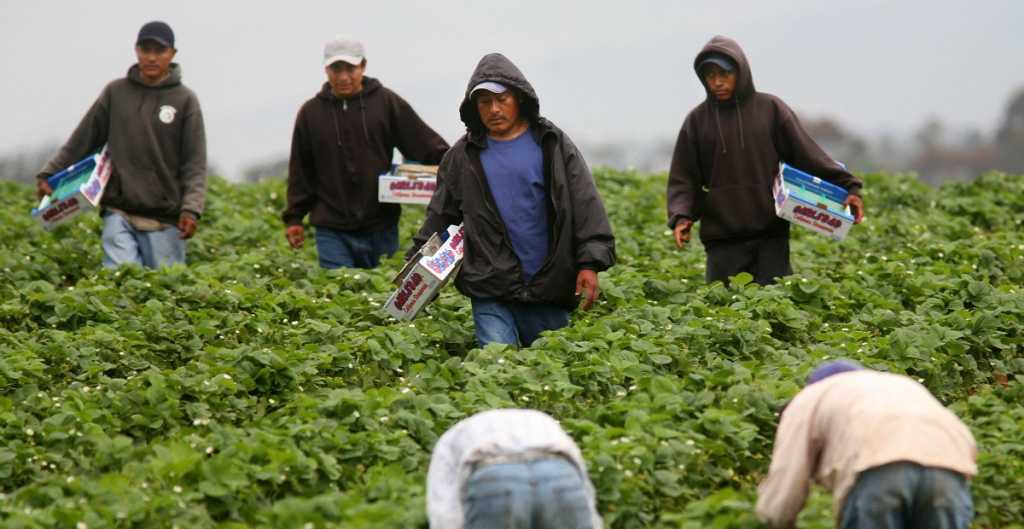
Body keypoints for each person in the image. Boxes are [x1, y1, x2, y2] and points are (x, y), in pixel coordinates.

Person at [408, 53, 615, 347]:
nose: (493, 109)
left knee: (550, 367)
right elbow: (440, 217)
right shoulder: (461, 156)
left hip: (547, 283)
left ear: (519, 99)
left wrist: (589, 263)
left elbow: (585, 205)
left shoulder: (551, 145)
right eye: (484, 102)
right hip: (489, 286)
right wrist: (413, 272)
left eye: (501, 99)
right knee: (495, 368)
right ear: (473, 108)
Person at [666, 36, 865, 285]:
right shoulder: (697, 121)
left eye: (724, 74)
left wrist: (850, 187)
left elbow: (808, 155)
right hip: (722, 243)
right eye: (710, 75)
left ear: (740, 71)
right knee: (725, 314)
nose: (717, 82)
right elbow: (683, 178)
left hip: (771, 239)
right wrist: (682, 216)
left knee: (773, 313)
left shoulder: (770, 110)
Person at [36, 21, 207, 269]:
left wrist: (191, 210)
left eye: (159, 51)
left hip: (164, 217)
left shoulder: (185, 100)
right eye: (145, 49)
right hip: (119, 210)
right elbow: (83, 139)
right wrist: (50, 173)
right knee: (121, 283)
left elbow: (195, 164)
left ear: (172, 54)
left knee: (165, 293)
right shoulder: (116, 93)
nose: (151, 57)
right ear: (136, 50)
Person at [283, 35, 450, 269]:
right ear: (326, 69)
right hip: (332, 230)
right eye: (336, 68)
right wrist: (294, 218)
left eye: (350, 68)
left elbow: (423, 142)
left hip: (381, 226)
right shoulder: (311, 113)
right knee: (340, 294)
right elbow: (301, 169)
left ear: (363, 66)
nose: (343, 76)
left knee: (381, 295)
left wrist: (455, 165)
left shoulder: (386, 102)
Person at [757, 360, 977, 529]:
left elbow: (788, 475)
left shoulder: (809, 398)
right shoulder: (899, 385)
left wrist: (770, 520)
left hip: (881, 468)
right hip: (949, 465)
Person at [426, 409, 602, 529]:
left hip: (496, 474)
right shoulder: (541, 420)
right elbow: (579, 472)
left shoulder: (448, 441)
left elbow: (445, 514)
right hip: (558, 470)